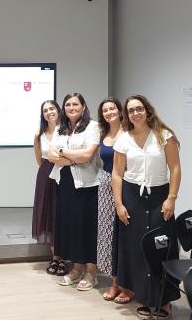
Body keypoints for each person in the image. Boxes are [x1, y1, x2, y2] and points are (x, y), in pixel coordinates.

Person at [112, 94, 181, 319]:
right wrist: (119, 204)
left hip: (160, 195)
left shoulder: (164, 136)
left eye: (139, 109)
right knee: (136, 248)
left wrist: (171, 197)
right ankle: (144, 297)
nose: (135, 113)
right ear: (127, 115)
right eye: (131, 110)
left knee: (162, 247)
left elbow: (175, 168)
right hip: (132, 197)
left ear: (147, 110)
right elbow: (117, 174)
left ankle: (164, 300)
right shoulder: (123, 139)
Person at [48, 92, 103, 291]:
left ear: (83, 106)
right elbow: (51, 155)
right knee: (71, 227)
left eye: (75, 104)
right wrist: (73, 157)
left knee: (87, 228)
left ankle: (91, 272)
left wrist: (64, 154)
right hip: (65, 183)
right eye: (68, 104)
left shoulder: (93, 126)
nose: (71, 108)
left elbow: (88, 155)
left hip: (87, 185)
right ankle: (76, 268)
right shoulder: (60, 128)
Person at [95, 97, 132, 304]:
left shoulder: (128, 132)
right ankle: (114, 282)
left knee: (125, 234)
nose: (109, 112)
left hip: (127, 184)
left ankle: (128, 285)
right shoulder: (104, 133)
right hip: (106, 184)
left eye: (112, 109)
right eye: (105, 110)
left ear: (119, 110)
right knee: (109, 234)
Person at [31, 100, 66, 276]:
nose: (49, 112)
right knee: (49, 215)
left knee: (62, 214)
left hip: (64, 174)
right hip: (46, 174)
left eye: (52, 108)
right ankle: (56, 258)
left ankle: (66, 257)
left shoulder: (67, 130)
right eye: (45, 110)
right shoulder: (39, 134)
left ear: (58, 110)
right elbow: (39, 160)